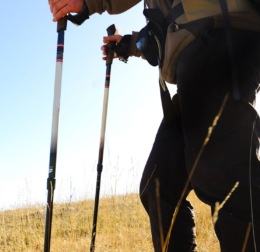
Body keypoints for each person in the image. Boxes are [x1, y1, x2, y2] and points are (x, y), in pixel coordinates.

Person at [49, 0, 260, 251]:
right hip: (192, 69)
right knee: (158, 187)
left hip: (223, 41)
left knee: (224, 175)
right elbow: (165, 32)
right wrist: (129, 45)